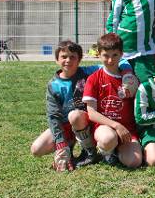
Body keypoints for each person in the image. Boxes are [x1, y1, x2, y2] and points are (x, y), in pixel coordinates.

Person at [30, 40, 136, 171]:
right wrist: (60, 145)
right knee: (36, 149)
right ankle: (69, 145)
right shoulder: (53, 85)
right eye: (64, 57)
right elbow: (53, 117)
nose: (68, 60)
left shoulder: (88, 72)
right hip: (65, 125)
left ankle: (89, 152)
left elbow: (120, 61)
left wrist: (126, 74)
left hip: (86, 121)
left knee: (75, 115)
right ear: (57, 59)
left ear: (79, 60)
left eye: (73, 57)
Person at [82, 33, 142, 168]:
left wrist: (135, 88)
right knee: (108, 138)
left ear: (121, 54)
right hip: (105, 128)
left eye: (114, 55)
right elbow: (91, 113)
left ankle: (116, 150)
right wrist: (116, 125)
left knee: (134, 162)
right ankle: (106, 151)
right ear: (99, 54)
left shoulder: (129, 79)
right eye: (106, 56)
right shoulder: (93, 78)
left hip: (127, 130)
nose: (110, 60)